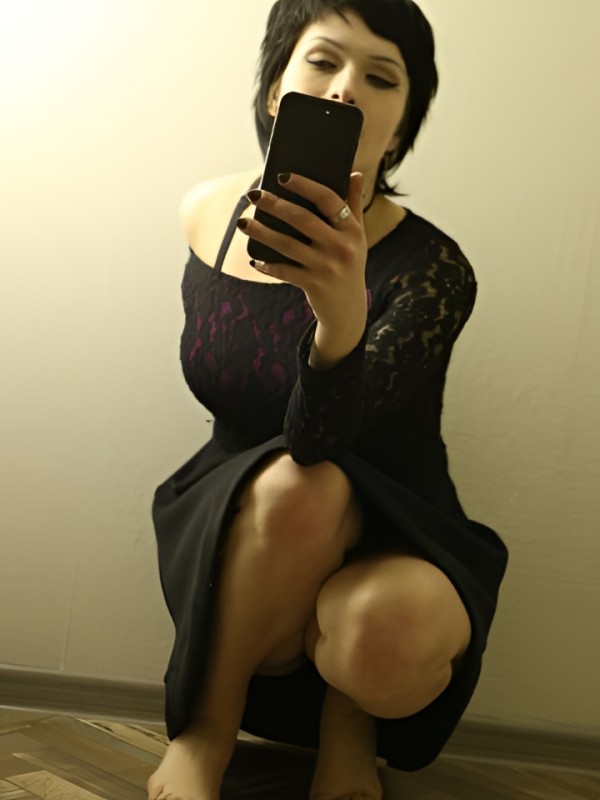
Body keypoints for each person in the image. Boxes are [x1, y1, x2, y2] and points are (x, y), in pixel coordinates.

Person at [148, 1, 508, 798]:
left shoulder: (433, 270)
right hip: (242, 512)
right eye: (322, 61)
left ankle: (351, 723)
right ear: (276, 88)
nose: (346, 88)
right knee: (296, 490)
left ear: (402, 127)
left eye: (381, 77)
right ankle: (207, 729)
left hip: (395, 519)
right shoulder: (205, 212)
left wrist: (341, 320)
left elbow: (322, 441)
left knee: (375, 612)